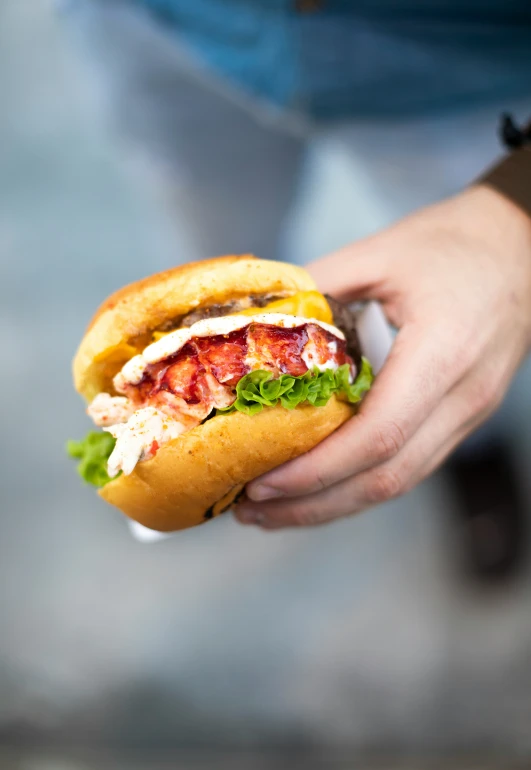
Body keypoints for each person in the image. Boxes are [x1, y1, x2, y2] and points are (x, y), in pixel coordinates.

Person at [65, 0, 531, 578]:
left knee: (468, 320)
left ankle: (474, 448)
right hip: (165, 30)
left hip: (460, 56)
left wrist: (519, 206)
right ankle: (151, 454)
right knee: (207, 250)